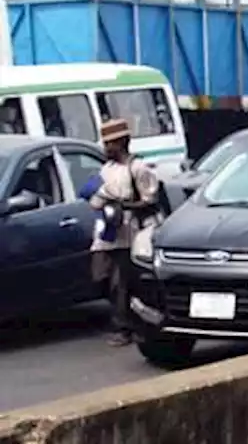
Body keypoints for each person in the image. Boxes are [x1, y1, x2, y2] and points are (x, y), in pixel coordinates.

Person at [88, 118, 166, 346]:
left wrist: (123, 206)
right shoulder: (107, 169)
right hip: (106, 234)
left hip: (129, 234)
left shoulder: (138, 168)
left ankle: (126, 327)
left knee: (121, 283)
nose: (106, 149)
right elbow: (95, 197)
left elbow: (150, 201)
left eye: (109, 144)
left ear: (121, 142)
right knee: (101, 277)